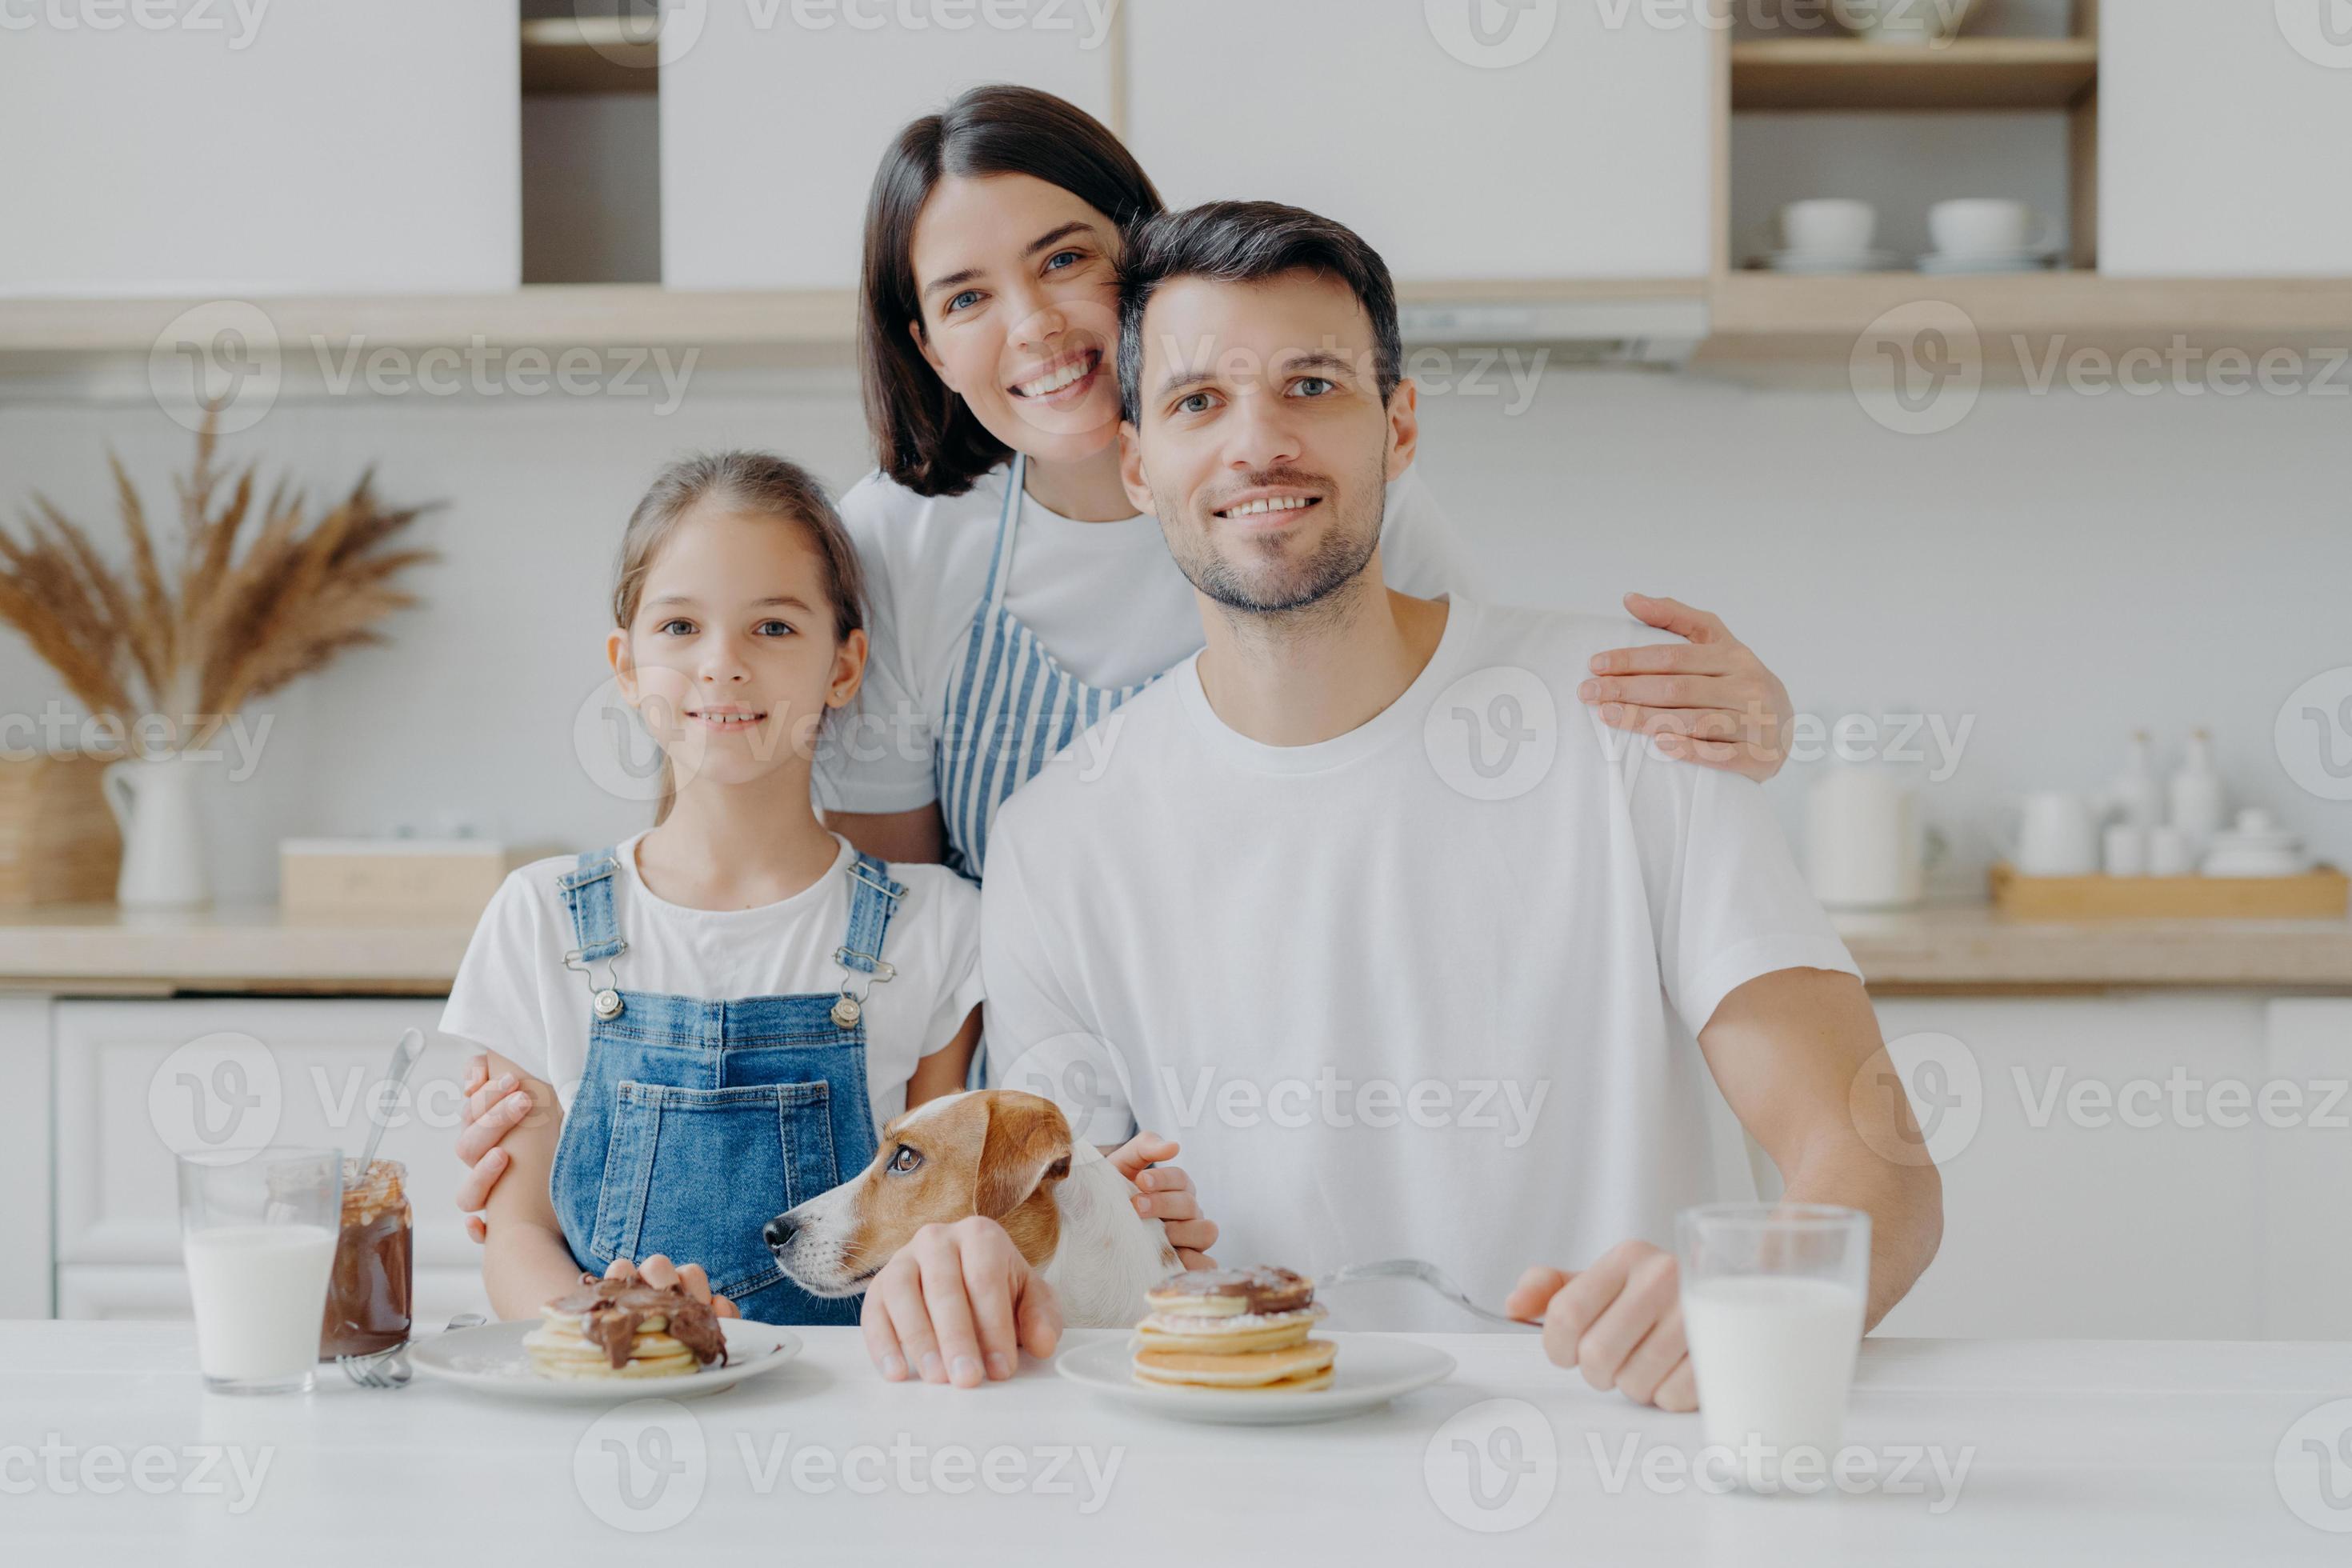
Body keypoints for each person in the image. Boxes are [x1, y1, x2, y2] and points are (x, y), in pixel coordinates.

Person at [950, 201, 1941, 1408]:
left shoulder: (1632, 719)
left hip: (1617, 1461)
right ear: (1139, 460)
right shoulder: (1057, 841)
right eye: (1200, 401)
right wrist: (960, 1266)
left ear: (1398, 426)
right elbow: (1063, 1232)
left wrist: (1753, 1301)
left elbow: (1874, 1160)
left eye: (1313, 385)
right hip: (1247, 1480)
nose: (1259, 445)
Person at [438, 452, 1193, 1384]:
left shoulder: (937, 928)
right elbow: (513, 1231)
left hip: (863, 1405)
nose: (723, 664)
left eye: (773, 626)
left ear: (844, 666)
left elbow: (948, 1220)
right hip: (604, 1399)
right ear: (626, 668)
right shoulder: (539, 918)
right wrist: (603, 1329)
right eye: (680, 626)